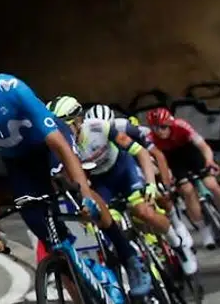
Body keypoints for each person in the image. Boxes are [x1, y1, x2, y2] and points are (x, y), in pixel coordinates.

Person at [0, 49, 154, 299]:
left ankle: (130, 256)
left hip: (49, 144)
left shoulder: (10, 89)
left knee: (75, 188)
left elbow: (59, 145)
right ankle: (86, 276)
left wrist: (83, 192)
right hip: (19, 162)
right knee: (43, 229)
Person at [47, 97, 188, 276]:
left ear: (79, 121)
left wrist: (151, 184)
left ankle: (176, 242)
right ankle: (137, 262)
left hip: (122, 170)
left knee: (143, 211)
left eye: (65, 127)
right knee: (111, 224)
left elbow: (140, 152)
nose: (61, 133)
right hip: (100, 182)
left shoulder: (98, 127)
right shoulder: (61, 145)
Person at [143, 106, 220, 248]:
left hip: (190, 152)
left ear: (170, 123)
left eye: (163, 127)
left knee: (211, 184)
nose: (159, 131)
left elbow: (203, 146)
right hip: (172, 160)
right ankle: (204, 229)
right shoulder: (150, 138)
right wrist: (167, 175)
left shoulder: (181, 126)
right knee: (187, 190)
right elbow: (155, 161)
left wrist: (209, 161)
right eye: (155, 128)